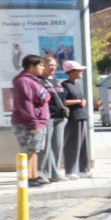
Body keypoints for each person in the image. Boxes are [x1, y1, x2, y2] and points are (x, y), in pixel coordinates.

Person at [10, 54, 50, 185]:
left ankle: (34, 175)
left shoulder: (34, 80)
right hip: (28, 123)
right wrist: (33, 123)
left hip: (38, 121)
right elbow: (24, 103)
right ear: (31, 66)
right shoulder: (23, 81)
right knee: (28, 150)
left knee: (34, 150)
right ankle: (28, 177)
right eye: (40, 65)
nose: (43, 67)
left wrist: (42, 98)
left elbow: (44, 96)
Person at [38, 54, 69, 182]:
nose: (54, 67)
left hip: (60, 117)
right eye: (50, 65)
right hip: (48, 117)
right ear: (43, 65)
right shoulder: (39, 81)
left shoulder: (55, 80)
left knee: (57, 146)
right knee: (47, 148)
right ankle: (45, 173)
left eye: (55, 65)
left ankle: (55, 173)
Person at [59, 60, 91, 179]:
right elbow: (63, 101)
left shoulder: (78, 84)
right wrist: (78, 102)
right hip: (72, 118)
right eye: (79, 70)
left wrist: (83, 102)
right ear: (71, 72)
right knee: (72, 144)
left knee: (83, 144)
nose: (82, 72)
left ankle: (83, 169)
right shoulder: (64, 85)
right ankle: (70, 171)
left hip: (82, 116)